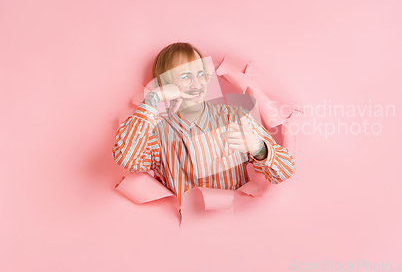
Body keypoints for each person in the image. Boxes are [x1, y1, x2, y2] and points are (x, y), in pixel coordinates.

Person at [112, 42, 294, 208]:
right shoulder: (156, 132)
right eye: (185, 77)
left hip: (236, 231)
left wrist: (259, 149)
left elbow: (284, 171)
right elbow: (126, 157)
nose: (197, 85)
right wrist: (153, 98)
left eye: (201, 75)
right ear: (164, 85)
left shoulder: (235, 118)